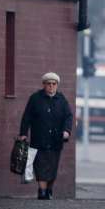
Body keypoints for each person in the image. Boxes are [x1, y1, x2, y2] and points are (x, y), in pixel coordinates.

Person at [16, 72, 73, 200]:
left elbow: (68, 117)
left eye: (54, 84)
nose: (51, 87)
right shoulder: (35, 98)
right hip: (39, 139)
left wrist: (67, 131)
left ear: (57, 85)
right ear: (44, 85)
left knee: (52, 167)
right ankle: (42, 192)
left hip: (56, 140)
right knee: (40, 166)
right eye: (49, 84)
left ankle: (49, 189)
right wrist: (23, 134)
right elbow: (26, 117)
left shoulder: (61, 100)